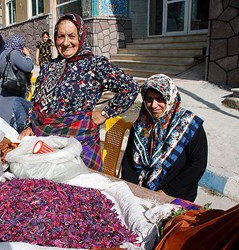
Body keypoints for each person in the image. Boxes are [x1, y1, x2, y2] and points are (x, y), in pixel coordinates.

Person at [19, 13, 139, 171]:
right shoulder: (49, 67)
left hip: (80, 144)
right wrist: (29, 126)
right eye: (61, 36)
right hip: (45, 145)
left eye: (72, 36)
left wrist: (104, 114)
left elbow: (130, 87)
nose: (66, 42)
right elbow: (36, 102)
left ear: (81, 36)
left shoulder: (94, 65)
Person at [121, 74, 208, 202]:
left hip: (174, 196)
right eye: (149, 99)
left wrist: (166, 192)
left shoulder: (189, 125)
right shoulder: (140, 126)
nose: (153, 105)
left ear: (170, 98)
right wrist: (132, 189)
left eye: (159, 99)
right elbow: (129, 159)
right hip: (140, 193)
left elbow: (197, 164)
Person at [0, 34, 34, 128]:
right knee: (11, 113)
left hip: (4, 86)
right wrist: (28, 56)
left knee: (3, 112)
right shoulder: (14, 54)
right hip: (13, 88)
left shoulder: (3, 53)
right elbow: (28, 67)